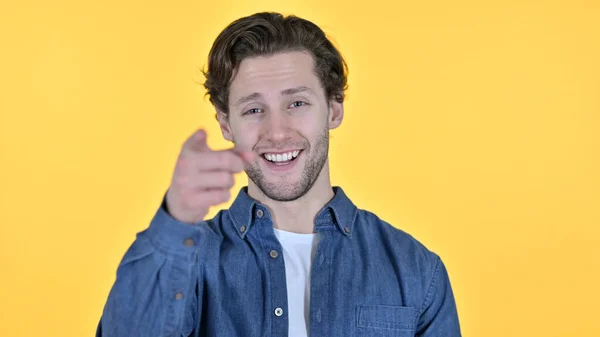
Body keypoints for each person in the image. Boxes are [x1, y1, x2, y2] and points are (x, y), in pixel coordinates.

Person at [96, 11, 462, 337]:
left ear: (334, 109)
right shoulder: (186, 262)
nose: (277, 131)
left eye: (297, 103)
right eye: (254, 109)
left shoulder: (416, 269)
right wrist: (175, 220)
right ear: (226, 124)